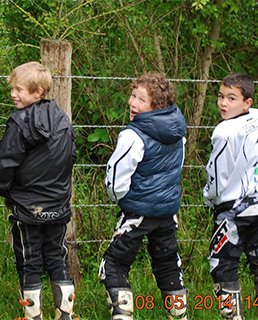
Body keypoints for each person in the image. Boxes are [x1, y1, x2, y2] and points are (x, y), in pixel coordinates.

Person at [0, 61, 78, 320]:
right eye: (13, 89)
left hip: (27, 207)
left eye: (19, 90)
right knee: (57, 257)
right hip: (58, 205)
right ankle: (65, 314)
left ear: (38, 91)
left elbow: (3, 163)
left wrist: (5, 192)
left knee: (29, 261)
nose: (13, 94)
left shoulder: (19, 122)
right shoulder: (63, 118)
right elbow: (70, 156)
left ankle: (32, 316)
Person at [99, 72, 188, 320]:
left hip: (138, 212)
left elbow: (116, 178)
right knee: (168, 262)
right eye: (132, 95)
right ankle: (179, 314)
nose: (132, 103)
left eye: (140, 99)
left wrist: (120, 199)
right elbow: (176, 169)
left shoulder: (132, 136)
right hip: (168, 213)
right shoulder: (178, 132)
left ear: (156, 106)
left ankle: (122, 314)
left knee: (114, 263)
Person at [203, 73, 258, 320]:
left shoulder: (223, 132)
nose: (223, 104)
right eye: (221, 97)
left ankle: (233, 316)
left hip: (232, 208)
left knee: (223, 261)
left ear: (247, 102)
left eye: (231, 98)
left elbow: (216, 173)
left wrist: (210, 198)